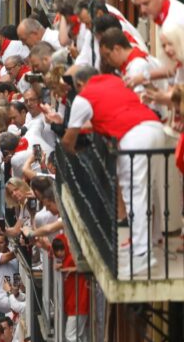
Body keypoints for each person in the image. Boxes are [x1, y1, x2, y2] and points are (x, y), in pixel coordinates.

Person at [61, 66, 170, 270]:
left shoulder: (83, 97)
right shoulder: (115, 81)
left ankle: (142, 254)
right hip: (155, 128)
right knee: (148, 189)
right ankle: (152, 239)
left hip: (134, 136)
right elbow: (110, 113)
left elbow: (68, 140)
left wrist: (75, 152)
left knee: (134, 194)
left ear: (80, 84)